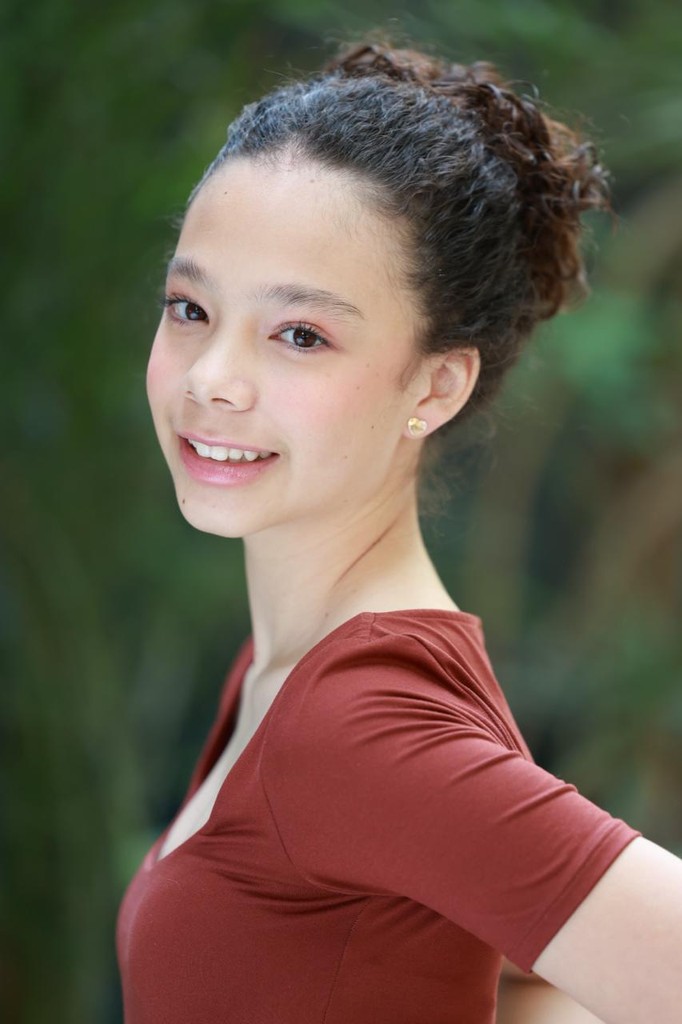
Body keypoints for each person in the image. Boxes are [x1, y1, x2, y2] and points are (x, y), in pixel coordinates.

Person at [116, 38, 682, 1024]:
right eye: (190, 307)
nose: (212, 378)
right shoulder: (292, 668)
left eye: (300, 334)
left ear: (435, 384)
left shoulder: (358, 724)